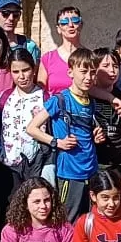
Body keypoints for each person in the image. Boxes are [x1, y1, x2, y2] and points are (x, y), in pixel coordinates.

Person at [28, 48, 99, 219]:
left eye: (93, 72)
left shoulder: (91, 102)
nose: (88, 77)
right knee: (68, 221)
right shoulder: (60, 100)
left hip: (91, 171)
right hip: (69, 172)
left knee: (88, 221)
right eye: (83, 71)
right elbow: (32, 128)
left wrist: (97, 135)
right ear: (70, 72)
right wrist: (56, 142)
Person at [0, 47, 49, 184]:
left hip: (36, 165)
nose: (21, 76)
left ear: (33, 69)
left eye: (25, 70)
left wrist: (43, 155)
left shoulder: (46, 99)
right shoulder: (2, 98)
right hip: (8, 167)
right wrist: (0, 154)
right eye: (16, 72)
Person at [85, 48, 121, 195]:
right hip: (94, 166)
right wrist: (92, 139)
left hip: (119, 166)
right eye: (106, 66)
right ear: (94, 69)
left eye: (115, 66)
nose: (112, 70)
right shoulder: (86, 97)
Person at [40, 6, 86, 93]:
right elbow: (40, 92)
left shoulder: (90, 57)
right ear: (58, 29)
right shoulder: (48, 59)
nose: (70, 25)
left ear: (81, 25)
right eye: (64, 22)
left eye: (75, 20)